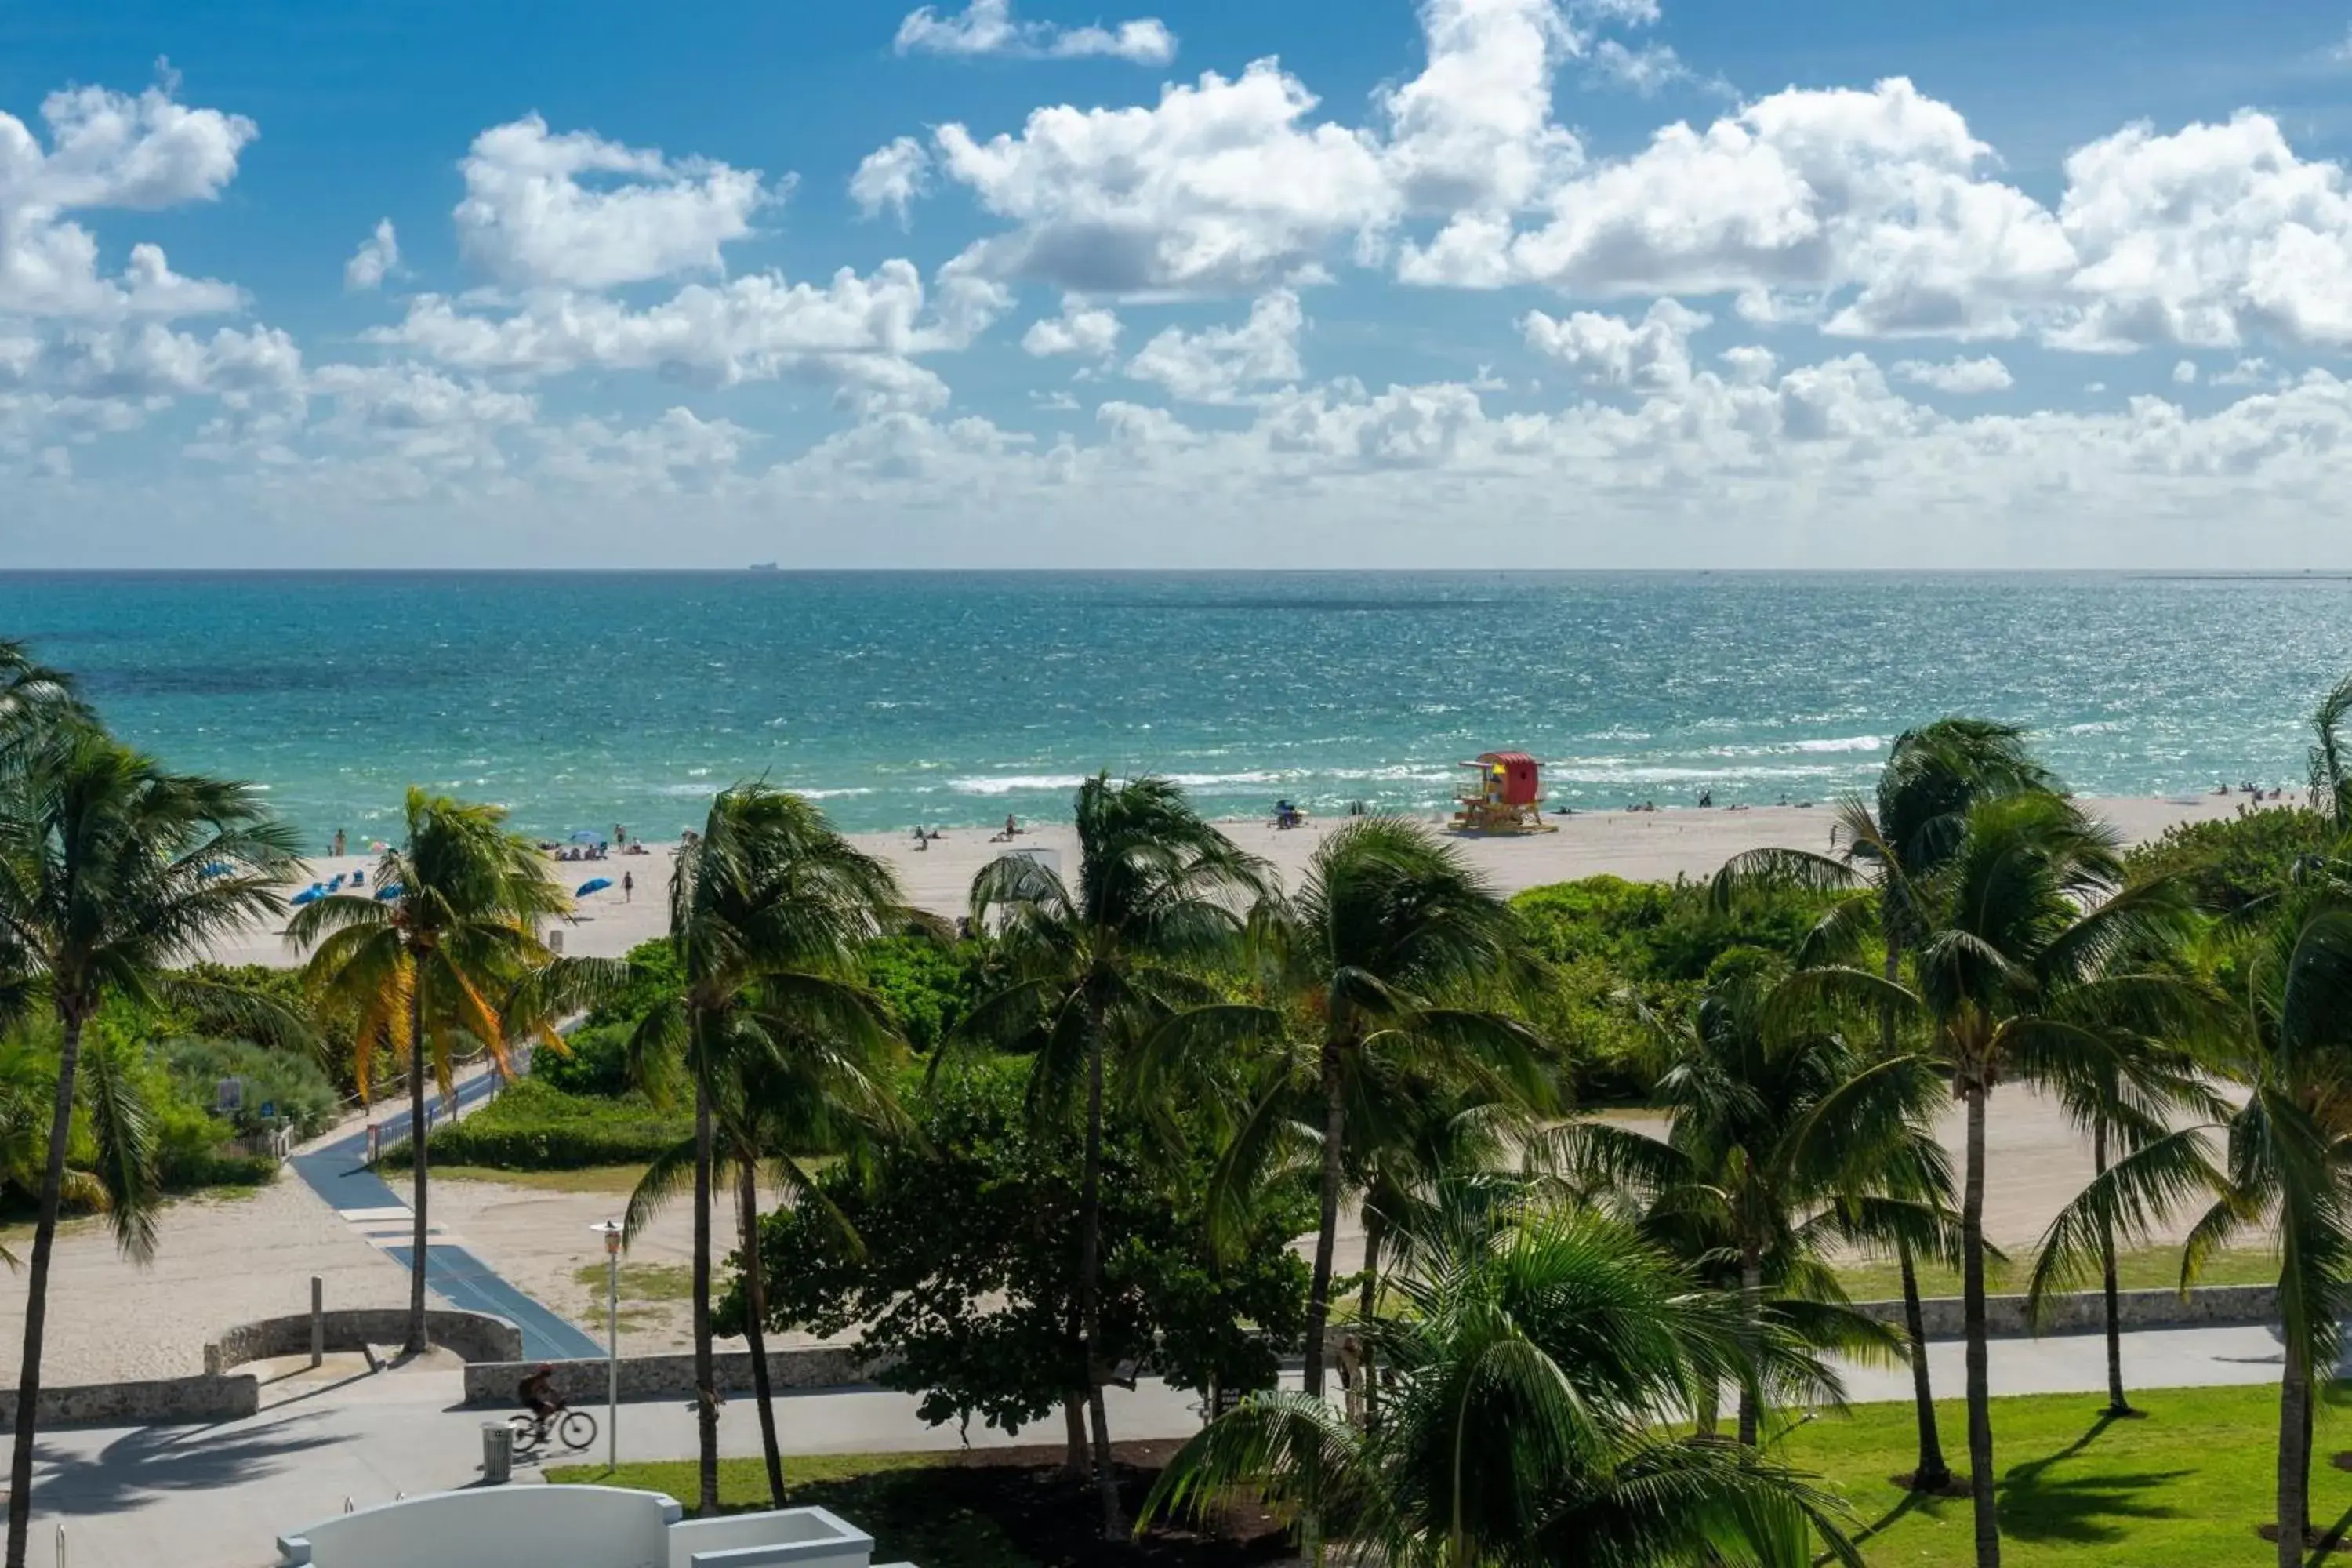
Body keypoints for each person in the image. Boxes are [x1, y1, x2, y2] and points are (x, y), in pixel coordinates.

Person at [517, 1363, 562, 1432]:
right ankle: (537, 1426)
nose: (551, 1372)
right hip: (531, 1401)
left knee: (546, 1411)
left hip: (529, 1400)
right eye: (550, 1370)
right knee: (549, 1409)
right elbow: (547, 1390)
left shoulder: (537, 1378)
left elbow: (544, 1390)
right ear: (547, 1372)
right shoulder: (540, 1380)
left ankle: (540, 1431)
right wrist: (559, 1397)